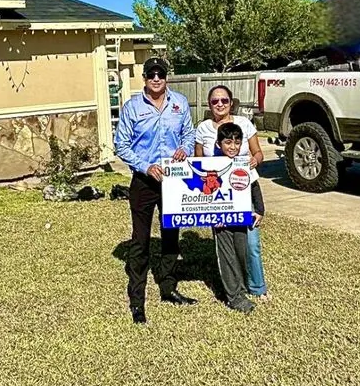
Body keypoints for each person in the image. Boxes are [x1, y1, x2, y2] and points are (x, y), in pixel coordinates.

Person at [114, 57, 197, 324]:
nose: (157, 78)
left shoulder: (180, 103)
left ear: (167, 77)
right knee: (140, 240)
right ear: (145, 78)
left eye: (161, 74)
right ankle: (137, 301)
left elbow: (189, 133)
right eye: (152, 74)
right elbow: (121, 144)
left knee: (171, 233)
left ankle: (169, 288)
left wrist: (185, 147)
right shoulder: (132, 107)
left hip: (173, 180)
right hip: (144, 180)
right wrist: (145, 166)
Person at [194, 85, 270, 301]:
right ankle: (234, 287)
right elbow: (197, 161)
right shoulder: (203, 129)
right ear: (209, 105)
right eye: (215, 101)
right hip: (218, 195)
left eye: (224, 101)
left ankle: (257, 286)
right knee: (225, 244)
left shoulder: (244, 124)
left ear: (231, 103)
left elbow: (258, 153)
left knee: (251, 242)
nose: (220, 104)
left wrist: (254, 161)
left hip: (244, 188)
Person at [208, 122, 263, 314]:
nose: (233, 147)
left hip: (241, 216)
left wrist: (260, 210)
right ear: (218, 144)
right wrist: (213, 215)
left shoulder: (243, 162)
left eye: (237, 143)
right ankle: (234, 296)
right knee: (227, 254)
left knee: (242, 252)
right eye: (228, 142)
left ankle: (242, 286)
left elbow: (254, 186)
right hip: (221, 220)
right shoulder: (211, 165)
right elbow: (205, 193)